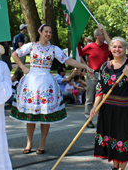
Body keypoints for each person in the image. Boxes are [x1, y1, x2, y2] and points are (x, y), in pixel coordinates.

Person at [11, 24, 93, 154]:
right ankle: (29, 142)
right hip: (31, 82)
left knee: (45, 114)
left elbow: (69, 61)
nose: (48, 34)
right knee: (30, 115)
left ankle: (42, 142)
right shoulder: (31, 46)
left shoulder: (54, 49)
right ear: (40, 31)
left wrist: (86, 66)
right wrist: (23, 67)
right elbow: (15, 54)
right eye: (46, 31)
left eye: (50, 32)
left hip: (46, 82)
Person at [90, 37, 128, 170]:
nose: (117, 49)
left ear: (125, 48)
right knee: (111, 138)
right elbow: (100, 89)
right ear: (110, 49)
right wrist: (95, 107)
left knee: (122, 138)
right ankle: (114, 168)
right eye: (114, 47)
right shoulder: (105, 67)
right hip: (107, 109)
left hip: (124, 109)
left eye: (120, 47)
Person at [80, 23, 112, 128]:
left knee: (104, 96)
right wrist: (86, 67)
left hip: (104, 74)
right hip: (92, 74)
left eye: (104, 35)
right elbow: (80, 55)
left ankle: (103, 118)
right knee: (90, 97)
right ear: (97, 36)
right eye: (102, 35)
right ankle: (88, 119)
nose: (103, 37)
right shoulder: (89, 46)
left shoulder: (107, 47)